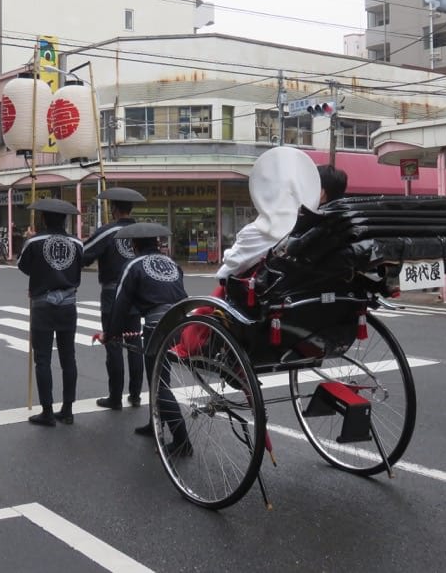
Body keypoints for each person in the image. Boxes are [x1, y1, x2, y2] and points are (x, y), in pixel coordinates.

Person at [112, 222, 191, 454]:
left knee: (158, 384)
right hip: (181, 320)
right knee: (159, 376)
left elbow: (120, 303)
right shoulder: (171, 263)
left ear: (134, 245)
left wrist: (112, 332)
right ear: (157, 243)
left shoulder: (133, 265)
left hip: (157, 324)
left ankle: (182, 440)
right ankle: (155, 423)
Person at [17, 198, 83, 427]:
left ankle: (47, 410)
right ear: (65, 219)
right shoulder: (77, 243)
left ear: (44, 218)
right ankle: (68, 409)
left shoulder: (34, 241)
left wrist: (28, 241)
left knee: (43, 359)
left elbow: (23, 266)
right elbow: (79, 267)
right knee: (68, 357)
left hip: (43, 304)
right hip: (68, 304)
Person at [82, 186, 147, 410]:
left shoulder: (108, 232)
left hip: (112, 293)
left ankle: (115, 396)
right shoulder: (142, 232)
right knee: (135, 342)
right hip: (138, 293)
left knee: (114, 343)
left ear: (114, 208)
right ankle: (136, 394)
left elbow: (84, 255)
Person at [217, 146, 322, 282]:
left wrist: (226, 255)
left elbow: (230, 266)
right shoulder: (313, 228)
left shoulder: (255, 232)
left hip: (263, 291)